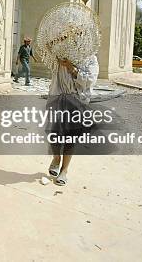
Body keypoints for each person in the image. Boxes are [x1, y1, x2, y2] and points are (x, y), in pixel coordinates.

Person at [46, 55, 99, 186]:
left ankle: (64, 171)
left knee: (70, 138)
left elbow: (90, 80)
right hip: (58, 98)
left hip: (77, 102)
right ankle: (56, 158)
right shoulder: (60, 53)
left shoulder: (90, 58)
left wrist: (71, 68)